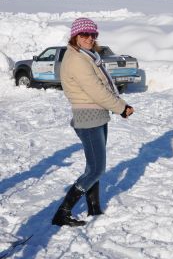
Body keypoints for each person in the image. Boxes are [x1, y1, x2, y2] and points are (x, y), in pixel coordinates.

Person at [52, 17, 135, 227]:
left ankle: (94, 207)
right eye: (84, 35)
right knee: (96, 169)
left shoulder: (88, 56)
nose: (89, 38)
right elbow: (96, 90)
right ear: (75, 37)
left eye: (93, 34)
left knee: (93, 166)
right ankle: (63, 212)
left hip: (97, 115)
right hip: (88, 117)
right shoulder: (77, 60)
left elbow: (103, 86)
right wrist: (121, 108)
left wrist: (118, 105)